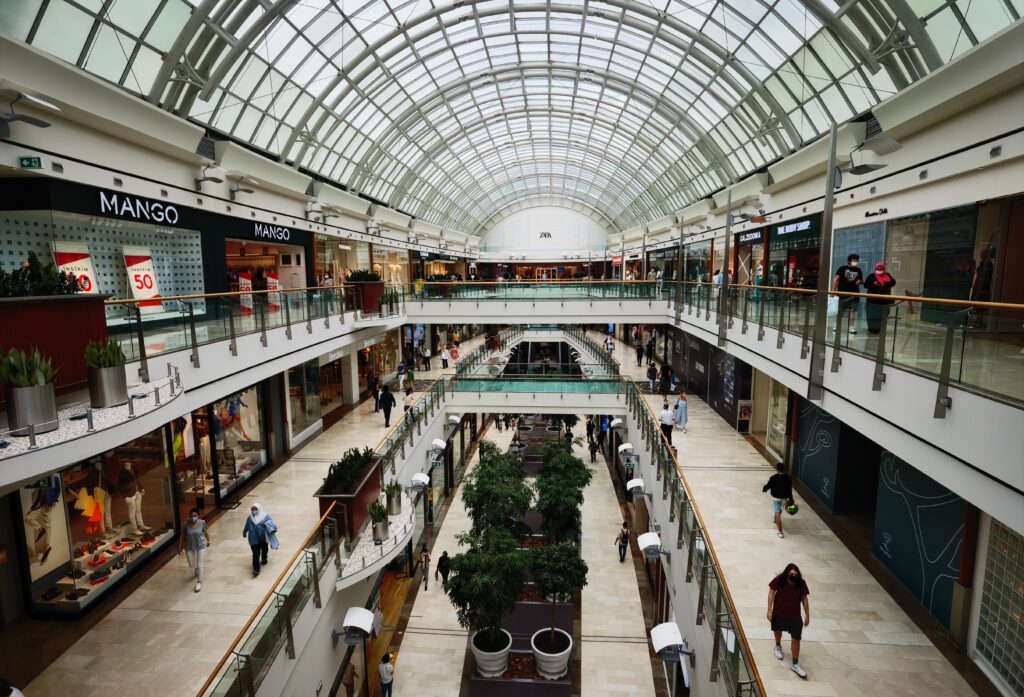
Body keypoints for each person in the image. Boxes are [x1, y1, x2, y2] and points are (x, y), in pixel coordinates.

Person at [767, 563, 810, 679]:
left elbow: (804, 599)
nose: (793, 576)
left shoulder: (801, 583)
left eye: (796, 574)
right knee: (778, 630)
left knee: (796, 639)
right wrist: (769, 610)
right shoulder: (779, 580)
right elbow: (771, 592)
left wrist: (807, 615)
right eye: (791, 574)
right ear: (787, 573)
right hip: (779, 613)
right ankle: (777, 646)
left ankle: (795, 663)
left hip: (795, 617)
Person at [178, 507, 211, 592]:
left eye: (195, 515)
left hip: (201, 545)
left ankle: (199, 582)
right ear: (189, 516)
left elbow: (205, 532)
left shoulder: (202, 523)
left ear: (198, 516)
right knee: (192, 564)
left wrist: (208, 540)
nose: (193, 517)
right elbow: (182, 536)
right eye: (192, 516)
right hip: (189, 546)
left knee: (200, 563)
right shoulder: (185, 524)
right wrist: (180, 547)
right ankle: (196, 568)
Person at [832, 253, 864, 334]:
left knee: (852, 310)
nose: (856, 262)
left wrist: (860, 282)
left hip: (855, 293)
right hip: (843, 293)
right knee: (841, 310)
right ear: (849, 261)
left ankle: (851, 327)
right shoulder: (842, 268)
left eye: (857, 260)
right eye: (854, 260)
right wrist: (833, 291)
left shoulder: (858, 270)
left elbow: (861, 281)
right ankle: (837, 325)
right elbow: (836, 279)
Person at [243, 503, 277, 577]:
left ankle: (264, 557)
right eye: (252, 509)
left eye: (255, 509)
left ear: (259, 509)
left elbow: (272, 523)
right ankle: (256, 569)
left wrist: (266, 524)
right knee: (255, 554)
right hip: (253, 539)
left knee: (264, 549)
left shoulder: (265, 516)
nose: (253, 510)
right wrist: (244, 532)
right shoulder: (250, 518)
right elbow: (247, 525)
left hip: (263, 537)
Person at [762, 463, 794, 538]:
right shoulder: (788, 478)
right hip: (784, 498)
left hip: (776, 498)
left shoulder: (773, 477)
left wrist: (764, 489)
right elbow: (789, 490)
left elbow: (768, 486)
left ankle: (780, 532)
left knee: (777, 513)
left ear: (777, 468)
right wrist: (791, 499)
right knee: (778, 510)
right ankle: (775, 520)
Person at [864, 262, 896, 334]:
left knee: (882, 314)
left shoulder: (887, 275)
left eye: (881, 268)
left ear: (884, 269)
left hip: (884, 300)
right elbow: (866, 285)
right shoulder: (871, 276)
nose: (879, 270)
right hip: (872, 300)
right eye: (878, 269)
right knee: (872, 314)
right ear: (875, 269)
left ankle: (880, 328)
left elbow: (893, 282)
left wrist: (885, 283)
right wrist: (873, 284)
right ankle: (872, 329)